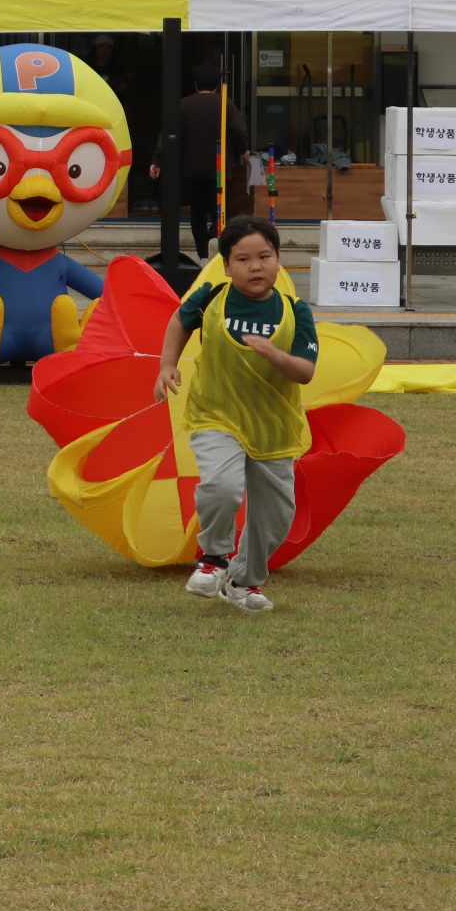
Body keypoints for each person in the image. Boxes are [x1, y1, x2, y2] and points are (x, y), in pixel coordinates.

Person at [158, 218, 316, 614]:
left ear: (279, 260)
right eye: (243, 259)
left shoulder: (296, 311)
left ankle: (244, 582)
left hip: (273, 430)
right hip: (216, 416)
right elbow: (179, 319)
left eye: (264, 256)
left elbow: (305, 371)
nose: (255, 266)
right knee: (222, 488)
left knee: (276, 516)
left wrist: (276, 355)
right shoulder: (211, 298)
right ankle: (214, 559)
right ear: (226, 266)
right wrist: (166, 365)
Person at [150, 64, 249, 258]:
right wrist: (243, 150)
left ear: (195, 85)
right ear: (217, 85)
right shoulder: (225, 103)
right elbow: (239, 131)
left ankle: (203, 255)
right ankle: (216, 246)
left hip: (192, 170)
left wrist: (157, 160)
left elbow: (168, 133)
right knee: (219, 211)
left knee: (197, 215)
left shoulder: (183, 105)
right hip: (220, 170)